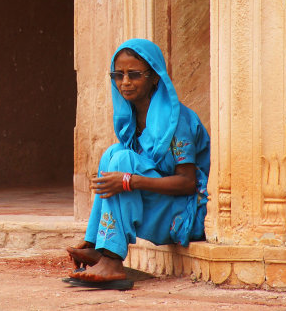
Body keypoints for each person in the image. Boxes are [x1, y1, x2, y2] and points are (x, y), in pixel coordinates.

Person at [67, 38, 210, 282]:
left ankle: (112, 260)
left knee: (123, 161)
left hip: (182, 213)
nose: (125, 83)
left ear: (154, 77)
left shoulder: (176, 121)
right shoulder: (131, 117)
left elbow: (188, 183)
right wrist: (126, 181)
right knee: (113, 154)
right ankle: (97, 244)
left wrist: (131, 181)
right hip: (157, 206)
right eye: (118, 75)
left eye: (134, 75)